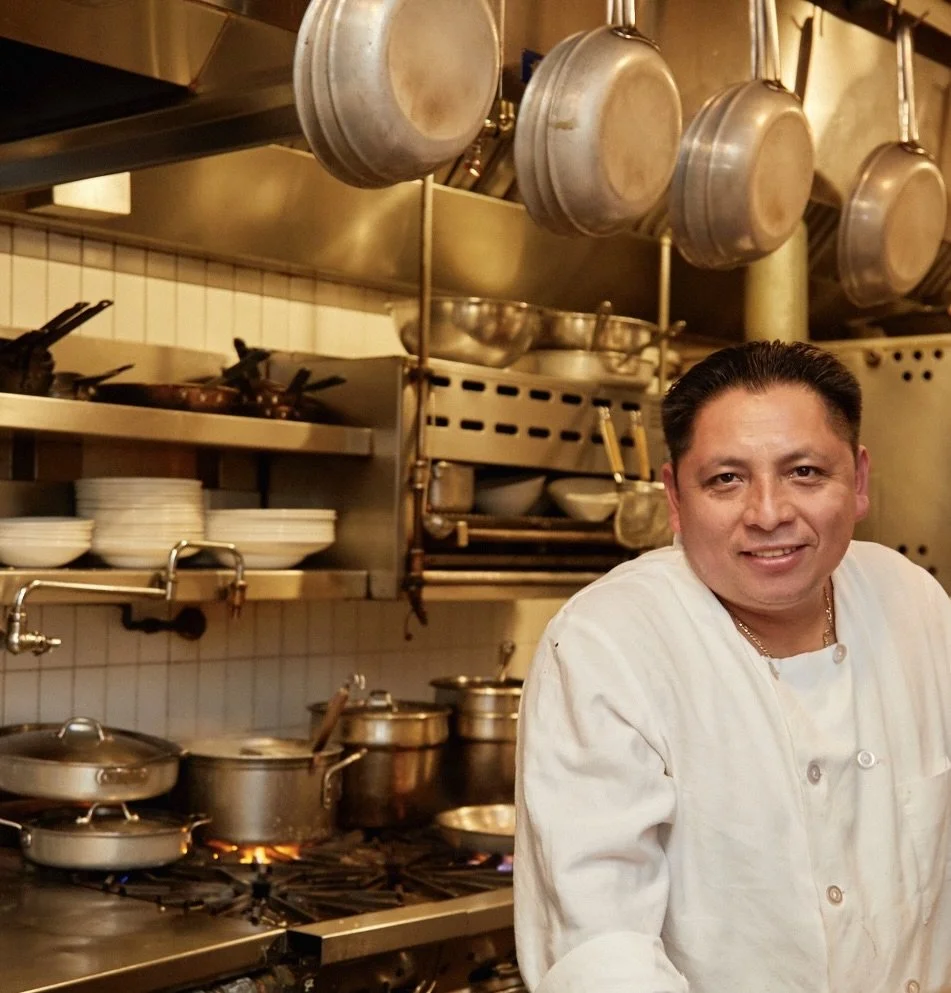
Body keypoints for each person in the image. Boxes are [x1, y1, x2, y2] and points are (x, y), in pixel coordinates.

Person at [514, 340, 951, 993]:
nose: (768, 513)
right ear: (673, 495)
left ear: (857, 481)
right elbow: (604, 949)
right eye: (726, 478)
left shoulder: (912, 600)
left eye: (804, 471)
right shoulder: (607, 645)